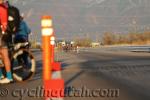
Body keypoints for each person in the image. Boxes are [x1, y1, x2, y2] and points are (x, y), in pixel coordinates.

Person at [0, 0, 13, 84]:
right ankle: (2, 75)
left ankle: (8, 77)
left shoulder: (2, 8)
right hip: (4, 34)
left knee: (4, 55)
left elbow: (4, 23)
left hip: (2, 34)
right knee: (3, 55)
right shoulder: (4, 7)